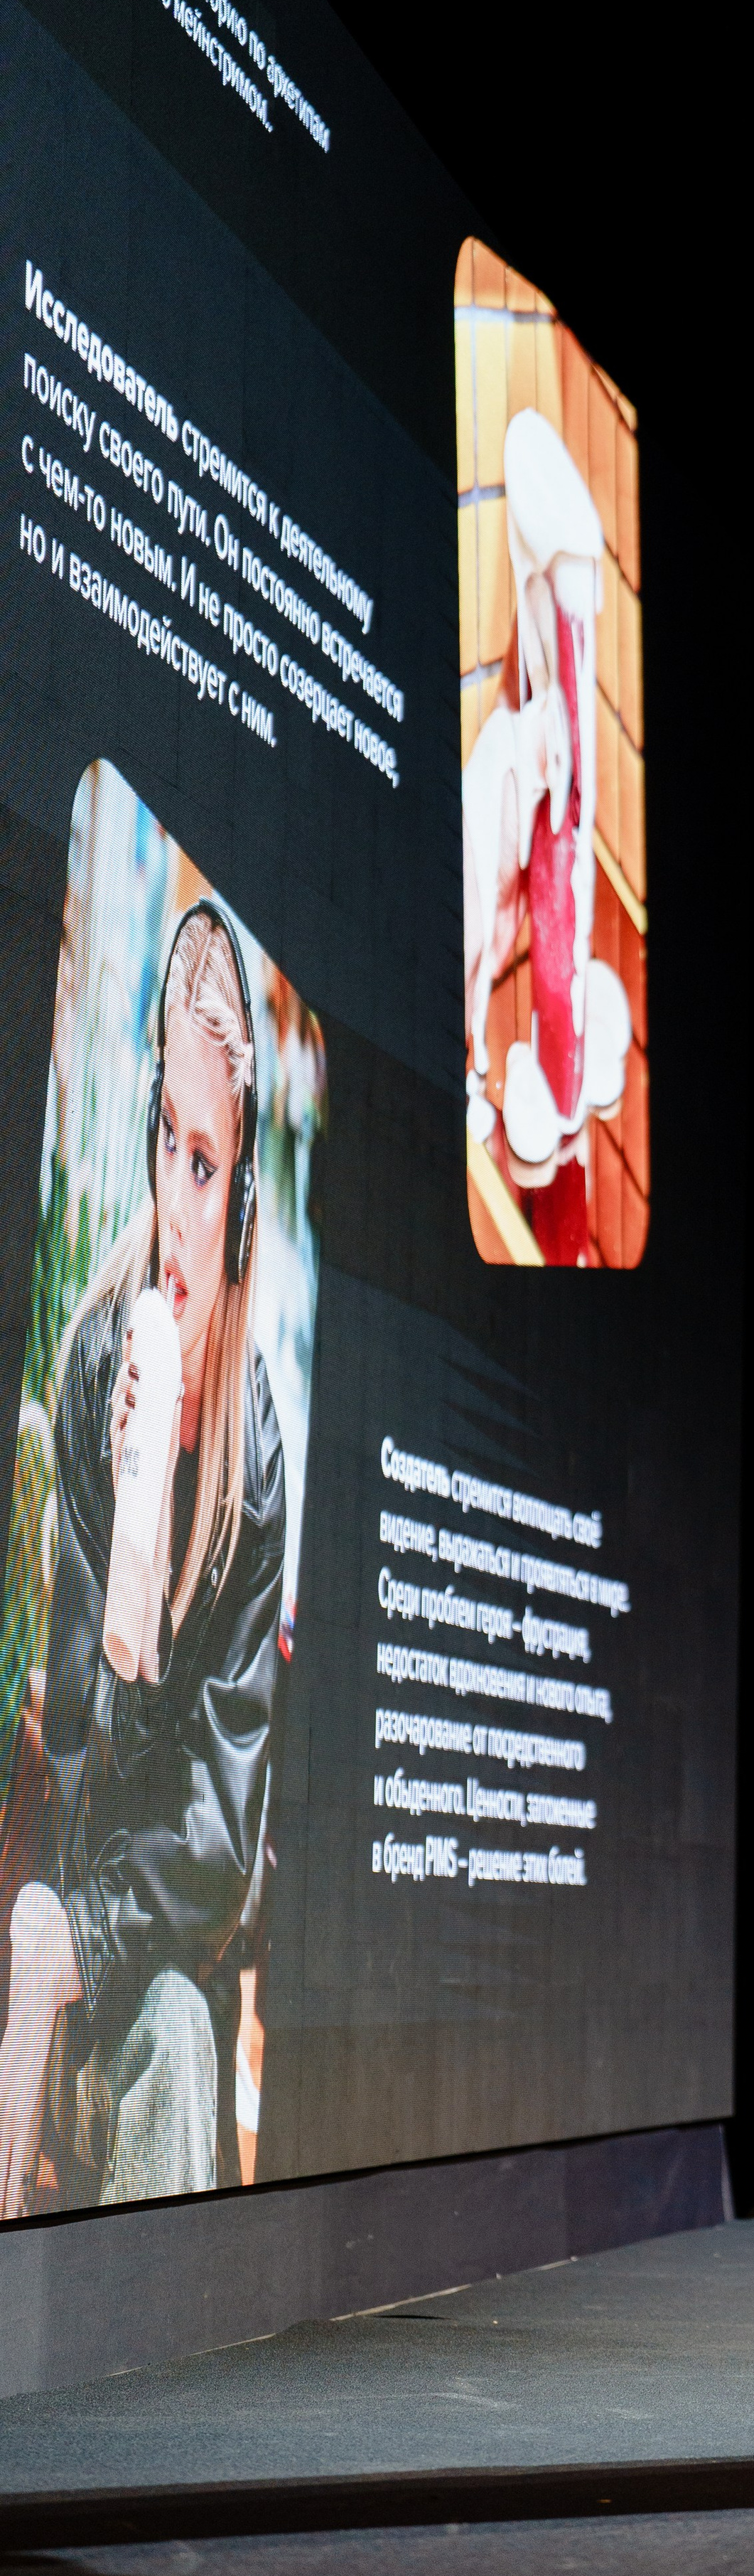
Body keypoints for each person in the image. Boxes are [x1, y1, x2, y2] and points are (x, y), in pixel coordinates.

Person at [0, 905, 286, 2218]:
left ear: (245, 1201)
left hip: (163, 1936)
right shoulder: (93, 1358)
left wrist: (96, 1934)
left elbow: (223, 1846)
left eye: (210, 1162)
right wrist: (128, 1525)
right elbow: (65, 1772)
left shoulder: (262, 1457)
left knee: (176, 2025)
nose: (181, 1197)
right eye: (168, 1144)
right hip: (67, 1910)